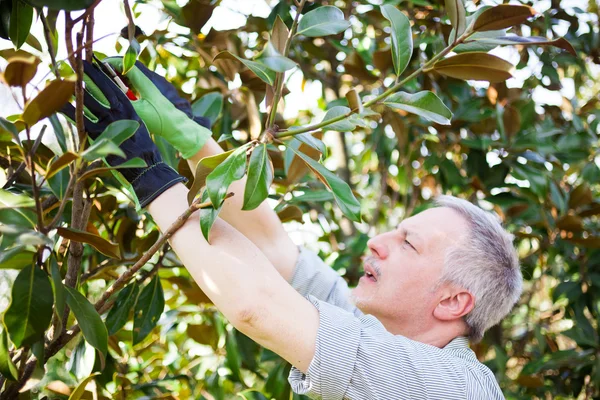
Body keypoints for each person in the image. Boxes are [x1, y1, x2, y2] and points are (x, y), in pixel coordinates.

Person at [62, 58, 523, 400]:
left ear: (453, 301)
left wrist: (150, 174)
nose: (378, 243)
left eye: (408, 243)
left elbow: (257, 308)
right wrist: (193, 137)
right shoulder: (379, 332)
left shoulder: (456, 389)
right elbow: (273, 247)